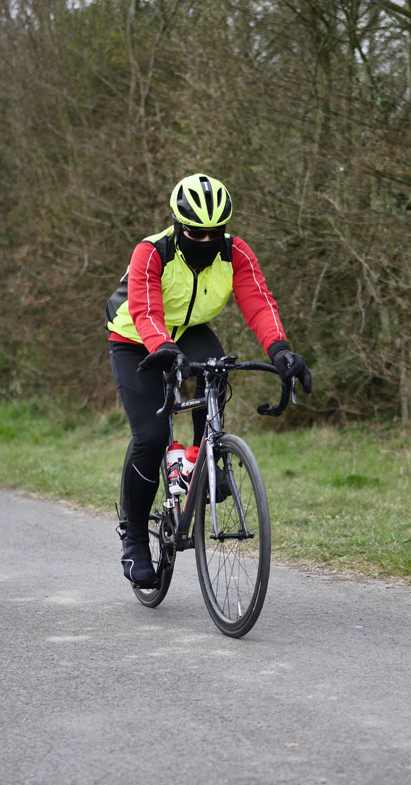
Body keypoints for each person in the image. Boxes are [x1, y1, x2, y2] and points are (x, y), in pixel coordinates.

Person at [107, 173, 312, 586]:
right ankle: (135, 538)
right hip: (135, 338)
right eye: (196, 233)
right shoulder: (152, 252)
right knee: (151, 437)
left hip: (189, 330)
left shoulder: (236, 253)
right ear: (178, 226)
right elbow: (145, 310)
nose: (205, 241)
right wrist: (162, 347)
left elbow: (259, 302)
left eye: (214, 233)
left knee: (216, 369)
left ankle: (203, 460)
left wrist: (280, 350)